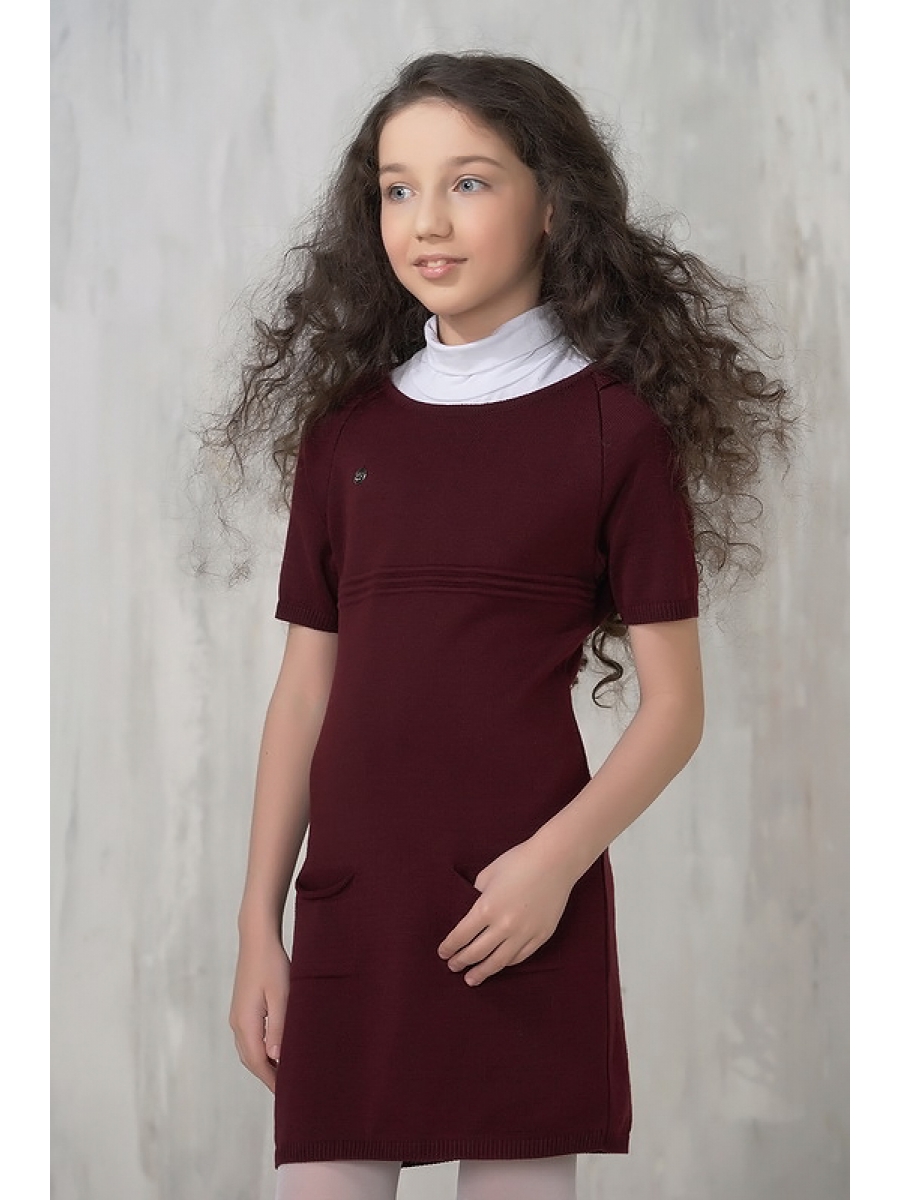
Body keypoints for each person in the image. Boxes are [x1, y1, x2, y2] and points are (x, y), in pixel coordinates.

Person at [209, 51, 793, 1200]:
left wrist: (553, 866)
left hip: (520, 898)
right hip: (355, 902)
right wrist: (256, 928)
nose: (427, 220)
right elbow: (305, 692)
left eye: (468, 182)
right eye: (398, 188)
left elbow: (675, 709)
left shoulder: (615, 430)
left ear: (553, 204)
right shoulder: (346, 433)